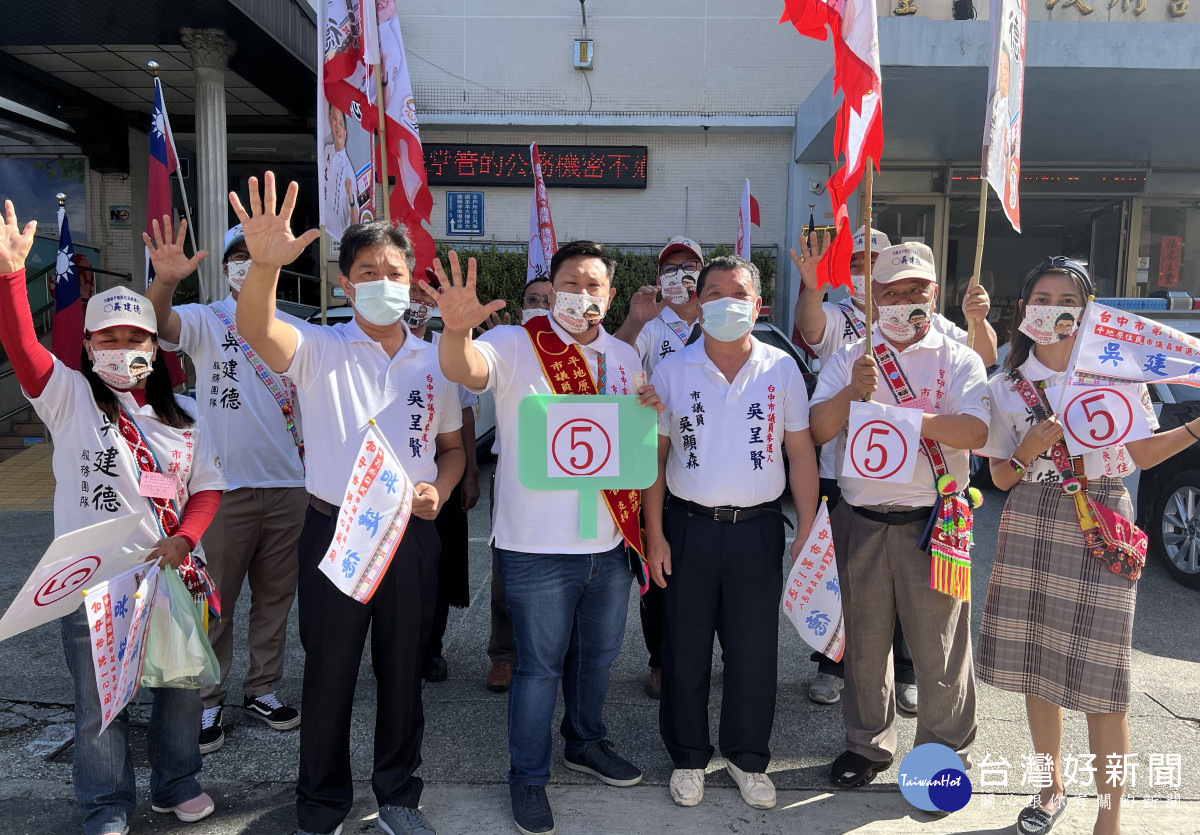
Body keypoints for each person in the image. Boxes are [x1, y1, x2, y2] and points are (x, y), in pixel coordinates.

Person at [233, 173, 464, 835]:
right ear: (343, 282)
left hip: (410, 537)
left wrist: (440, 490)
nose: (383, 281)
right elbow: (256, 327)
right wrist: (265, 267)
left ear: (412, 278)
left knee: (403, 675)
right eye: (368, 271)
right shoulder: (319, 348)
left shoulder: (435, 361)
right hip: (336, 532)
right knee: (329, 674)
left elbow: (452, 449)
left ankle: (397, 796)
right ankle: (322, 803)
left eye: (394, 270)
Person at [0, 201, 225, 835]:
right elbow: (21, 346)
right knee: (102, 699)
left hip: (173, 577)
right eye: (109, 339)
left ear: (155, 347)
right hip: (92, 583)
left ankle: (176, 783)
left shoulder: (184, 415)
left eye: (136, 339)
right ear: (89, 344)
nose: (122, 349)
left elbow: (206, 490)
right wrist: (11, 278)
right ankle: (104, 804)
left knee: (179, 691)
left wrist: (186, 538)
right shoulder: (67, 397)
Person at [431, 241, 662, 835]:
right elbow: (464, 369)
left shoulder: (622, 355)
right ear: (552, 286)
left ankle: (584, 742)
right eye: (571, 283)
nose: (581, 296)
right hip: (534, 547)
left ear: (609, 296)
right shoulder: (516, 343)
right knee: (536, 667)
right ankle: (528, 777)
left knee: (599, 657)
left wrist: (650, 408)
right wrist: (456, 332)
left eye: (594, 286)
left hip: (607, 544)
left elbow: (633, 444)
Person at [976, 257, 1200, 835]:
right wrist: (1027, 448)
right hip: (1029, 516)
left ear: (1087, 309)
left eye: (1066, 299)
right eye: (1041, 297)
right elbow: (1001, 477)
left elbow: (1143, 456)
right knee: (1034, 664)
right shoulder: (1004, 386)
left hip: (1101, 512)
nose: (1052, 308)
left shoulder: (1119, 376)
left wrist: (1198, 427)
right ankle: (1050, 787)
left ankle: (1110, 816)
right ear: (1024, 309)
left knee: (1105, 679)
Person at [793, 225, 998, 711]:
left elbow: (976, 433)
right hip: (860, 518)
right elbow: (818, 431)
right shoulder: (850, 355)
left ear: (932, 292)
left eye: (915, 289)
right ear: (874, 296)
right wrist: (850, 394)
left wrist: (902, 421)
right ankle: (866, 745)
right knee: (862, 644)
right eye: (890, 291)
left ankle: (946, 753)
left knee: (941, 649)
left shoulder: (958, 354)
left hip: (936, 521)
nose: (904, 299)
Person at [644, 255, 819, 810]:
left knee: (753, 650)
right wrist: (655, 534)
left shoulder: (780, 368)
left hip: (757, 530)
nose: (723, 300)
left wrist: (808, 530)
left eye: (736, 291)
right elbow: (654, 458)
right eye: (711, 291)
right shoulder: (672, 371)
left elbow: (799, 451)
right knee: (685, 648)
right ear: (696, 303)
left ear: (757, 305)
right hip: (688, 527)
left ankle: (747, 758)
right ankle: (689, 756)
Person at [144, 218, 307, 755]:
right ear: (226, 268)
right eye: (239, 257)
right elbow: (158, 322)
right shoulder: (208, 321)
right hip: (222, 489)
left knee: (276, 598)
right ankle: (209, 697)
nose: (247, 264)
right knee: (214, 600)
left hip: (288, 487)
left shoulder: (294, 330)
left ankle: (263, 688)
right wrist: (166, 280)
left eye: (257, 258)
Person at [613, 236, 705, 699]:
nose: (681, 274)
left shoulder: (718, 319)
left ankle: (706, 658)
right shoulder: (653, 325)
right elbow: (614, 356)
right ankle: (660, 659)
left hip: (707, 458)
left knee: (704, 565)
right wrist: (634, 319)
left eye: (690, 266)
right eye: (672, 267)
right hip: (653, 458)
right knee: (655, 563)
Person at [403, 280, 481, 684]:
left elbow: (464, 417)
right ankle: (395, 649)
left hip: (441, 476)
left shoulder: (444, 350)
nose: (416, 304)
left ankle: (431, 648)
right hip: (388, 476)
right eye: (410, 294)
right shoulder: (377, 346)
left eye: (424, 297)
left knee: (439, 565)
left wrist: (468, 472)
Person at [484, 277, 552, 694]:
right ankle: (504, 655)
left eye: (550, 299)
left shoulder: (586, 349)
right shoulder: (507, 344)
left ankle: (554, 654)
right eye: (533, 300)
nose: (541, 306)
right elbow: (471, 369)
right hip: (514, 475)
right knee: (505, 572)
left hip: (570, 477)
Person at [322, 105, 360, 241]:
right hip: (322, 227)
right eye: (334, 119)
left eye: (341, 123)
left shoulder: (348, 170)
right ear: (329, 119)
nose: (337, 126)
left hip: (337, 237)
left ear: (345, 132)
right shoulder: (326, 150)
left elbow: (356, 223)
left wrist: (350, 198)